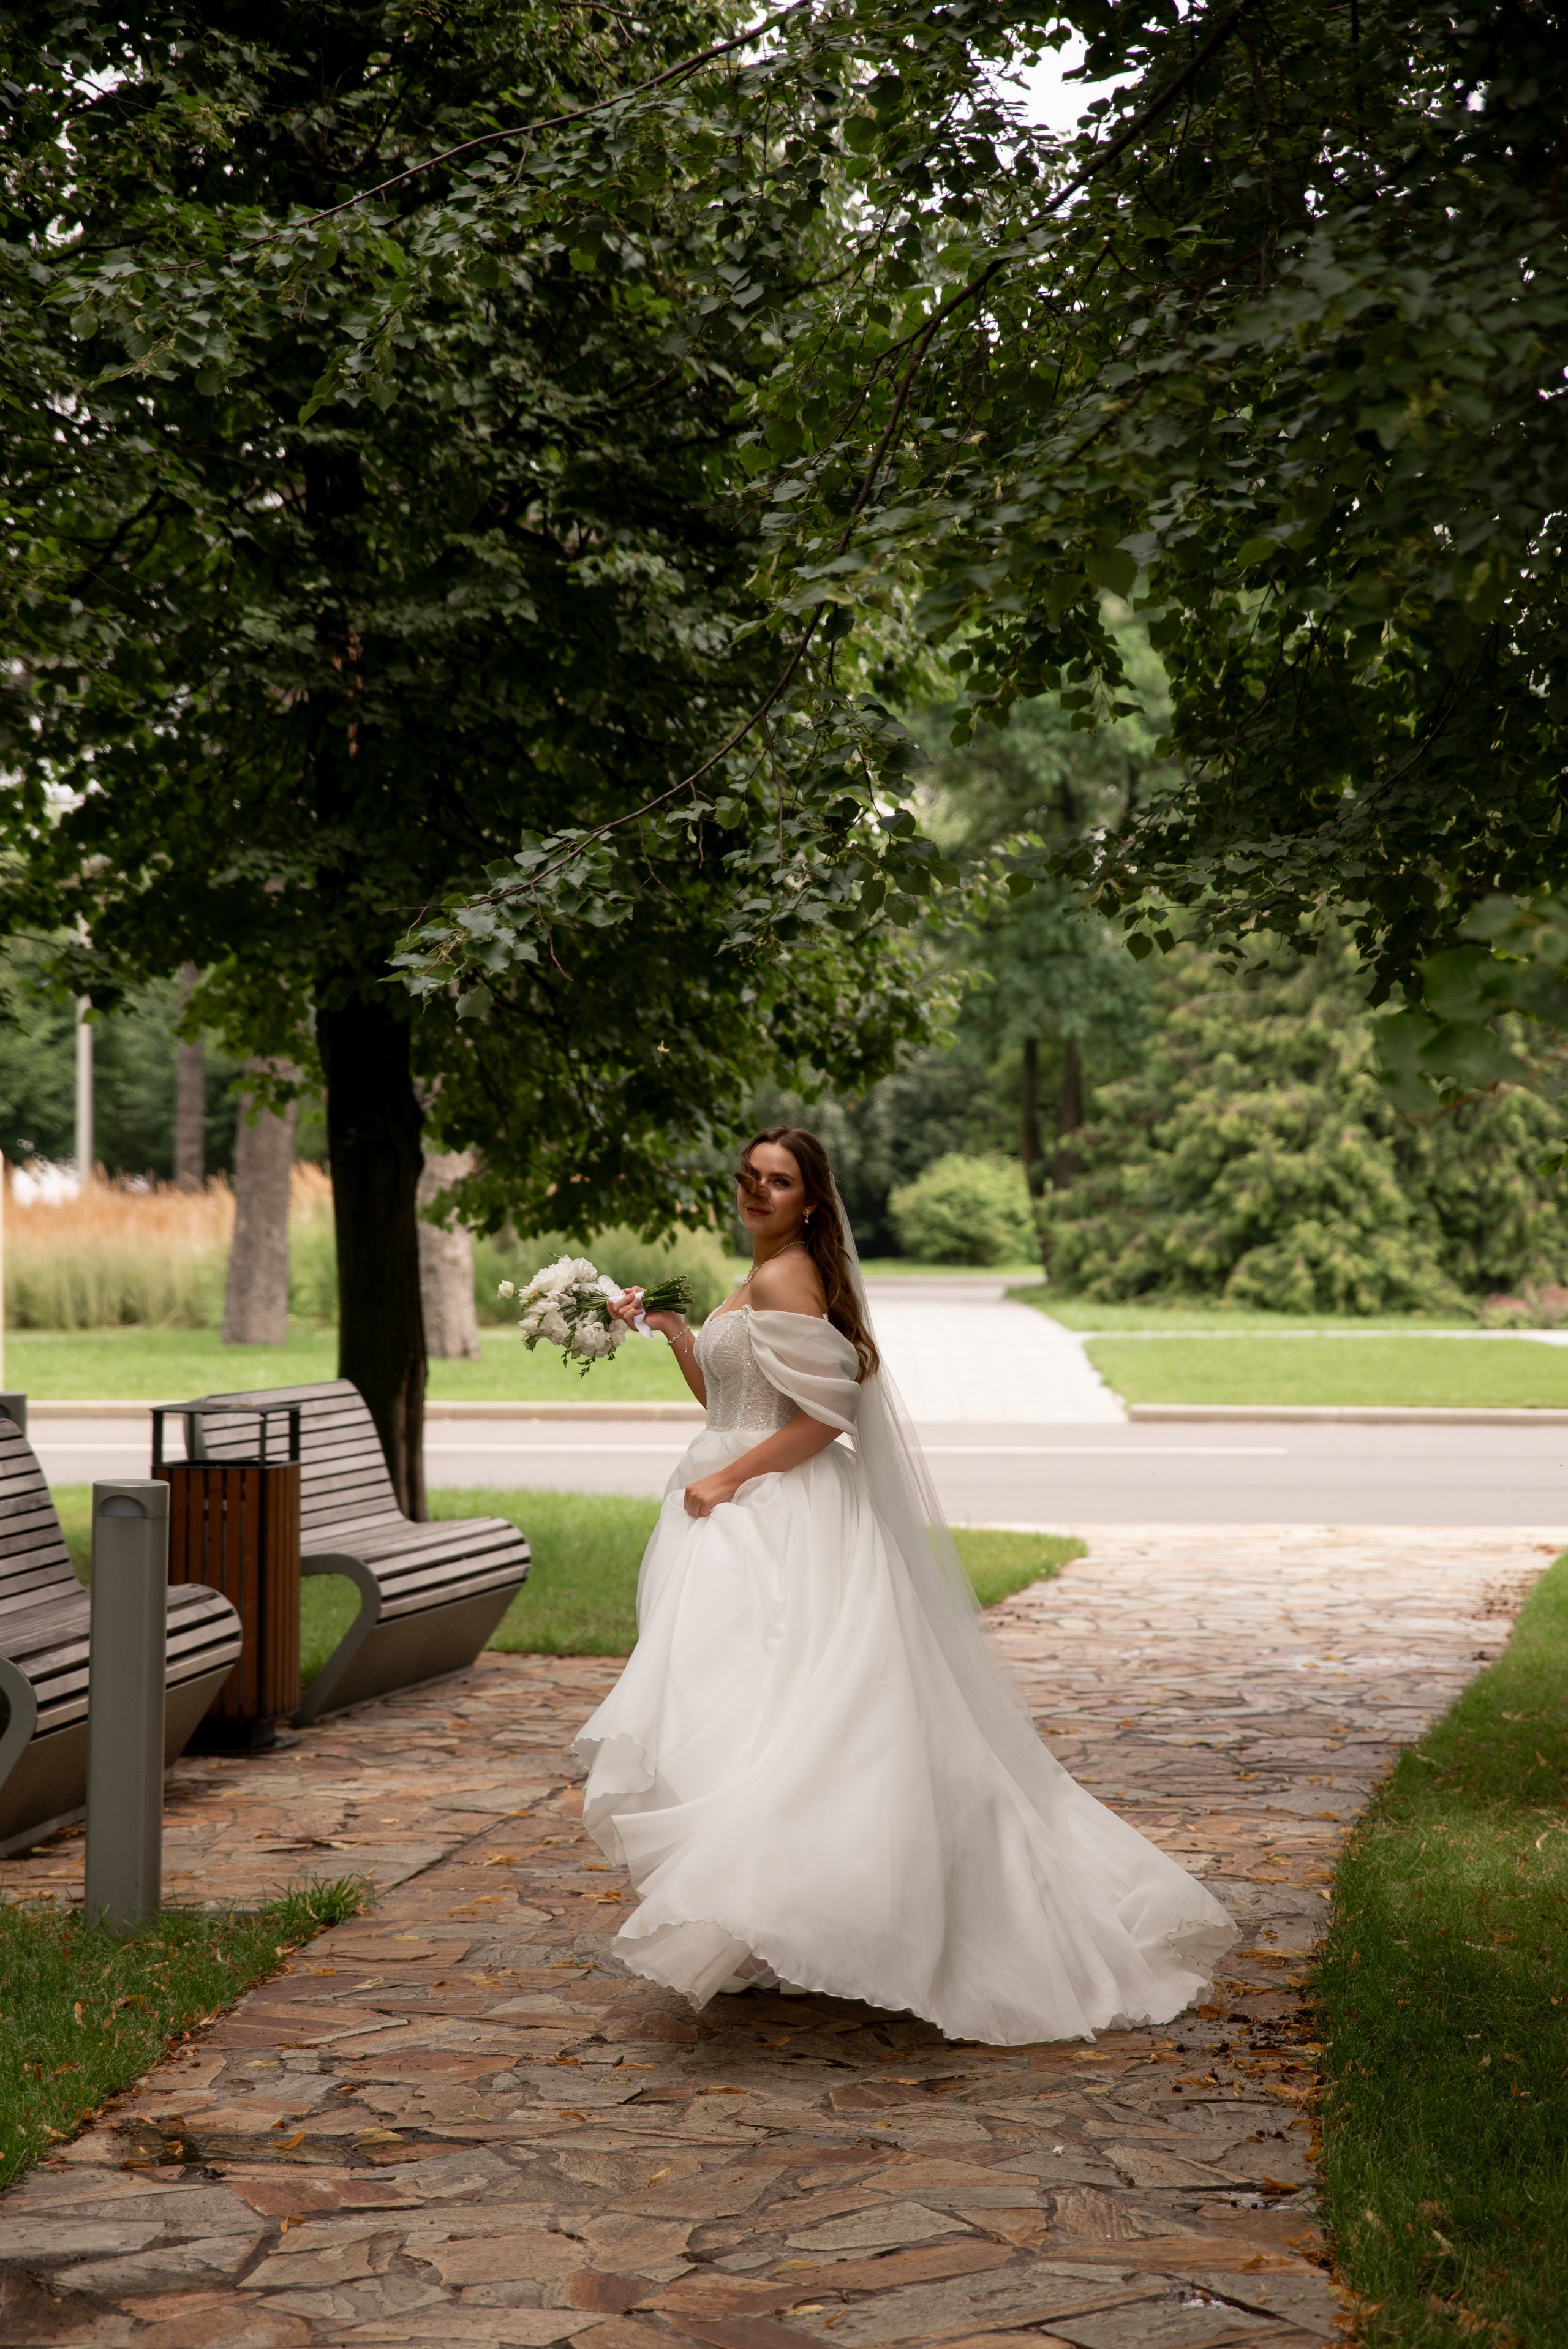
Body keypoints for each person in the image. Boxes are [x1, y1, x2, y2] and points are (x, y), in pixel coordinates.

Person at [575, 1125, 1235, 2045]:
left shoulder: (784, 1275)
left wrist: (728, 1480)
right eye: (748, 1178)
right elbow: (735, 1402)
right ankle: (773, 1911)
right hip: (739, 1514)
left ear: (811, 1200)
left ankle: (832, 1911)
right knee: (755, 1716)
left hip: (780, 1518)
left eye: (778, 1182)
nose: (757, 1192)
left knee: (794, 1721)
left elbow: (825, 1417)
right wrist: (680, 1334)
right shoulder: (760, 1272)